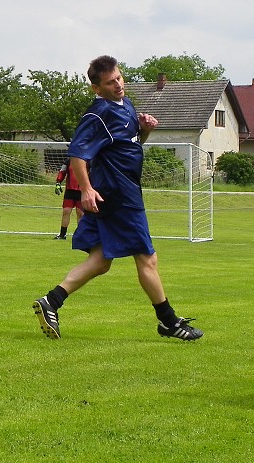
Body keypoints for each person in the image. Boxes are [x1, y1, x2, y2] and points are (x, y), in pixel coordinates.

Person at [33, 55, 203, 342]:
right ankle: (168, 322)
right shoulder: (97, 114)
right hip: (118, 194)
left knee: (101, 261)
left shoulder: (126, 107)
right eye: (111, 82)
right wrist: (86, 189)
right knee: (147, 258)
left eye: (120, 78)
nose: (118, 85)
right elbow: (77, 154)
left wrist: (145, 129)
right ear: (96, 88)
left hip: (122, 191)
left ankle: (52, 301)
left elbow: (130, 146)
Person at [53, 158, 83, 239]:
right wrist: (58, 182)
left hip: (81, 191)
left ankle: (80, 236)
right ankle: (62, 235)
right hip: (70, 191)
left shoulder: (88, 160)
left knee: (80, 213)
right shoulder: (68, 161)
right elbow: (62, 172)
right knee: (66, 211)